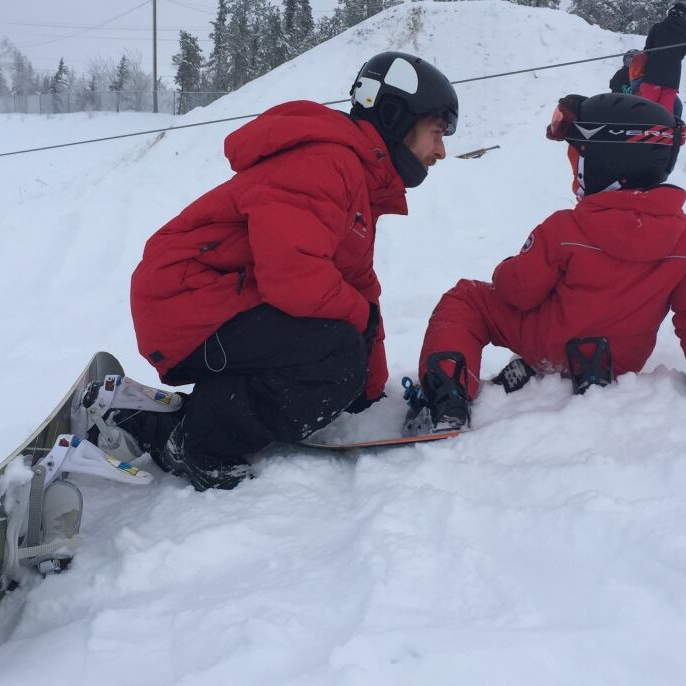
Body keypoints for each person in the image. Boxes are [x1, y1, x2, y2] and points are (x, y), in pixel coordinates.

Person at [97, 52, 458, 491]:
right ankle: (193, 443)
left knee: (340, 350)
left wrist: (367, 393)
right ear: (396, 118)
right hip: (185, 298)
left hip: (215, 299)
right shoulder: (325, 163)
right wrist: (353, 355)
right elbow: (294, 277)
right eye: (436, 133)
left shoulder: (357, 181)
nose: (441, 150)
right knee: (334, 353)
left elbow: (360, 289)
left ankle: (162, 417)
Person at [406, 93, 686, 435]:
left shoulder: (566, 229)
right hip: (619, 361)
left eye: (578, 159)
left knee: (466, 299)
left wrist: (508, 268)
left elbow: (518, 293)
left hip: (551, 342)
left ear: (605, 162)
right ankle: (580, 369)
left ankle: (447, 398)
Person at [640, 2, 686, 113]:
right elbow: (683, 53)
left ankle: (644, 128)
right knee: (665, 112)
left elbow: (647, 50)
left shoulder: (658, 27)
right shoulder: (685, 34)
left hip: (652, 75)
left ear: (670, 12)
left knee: (646, 109)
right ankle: (663, 128)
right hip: (672, 78)